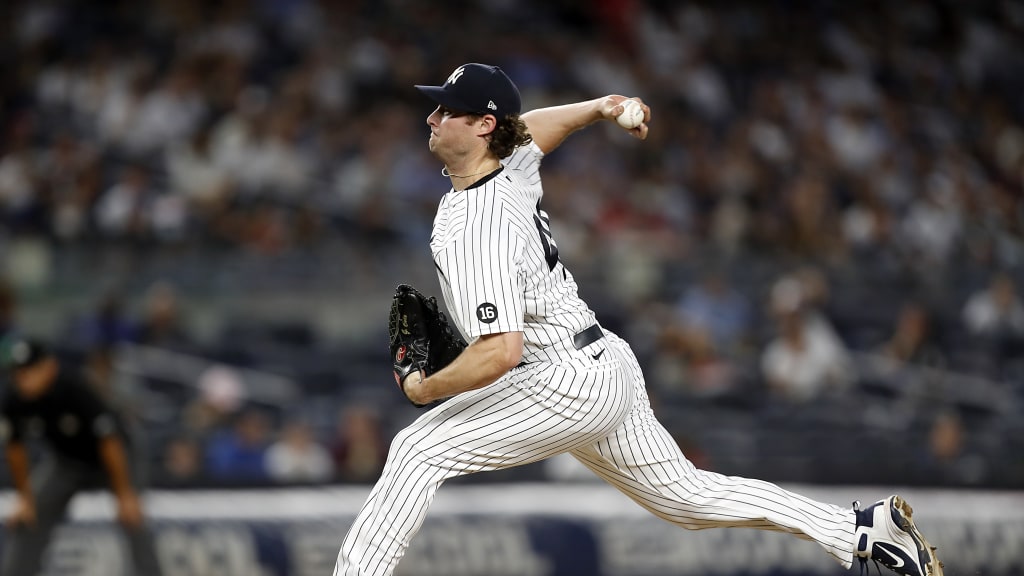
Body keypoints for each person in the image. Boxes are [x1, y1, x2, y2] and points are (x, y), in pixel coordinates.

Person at [332, 63, 943, 576]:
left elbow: (500, 353)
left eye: (448, 111)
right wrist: (602, 105)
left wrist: (424, 388)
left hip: (558, 381)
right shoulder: (508, 165)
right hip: (600, 365)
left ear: (484, 126)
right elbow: (535, 130)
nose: (432, 118)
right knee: (689, 499)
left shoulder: (479, 222)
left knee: (417, 450)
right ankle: (862, 529)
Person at [0, 337, 162, 576]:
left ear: (48, 367)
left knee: (131, 516)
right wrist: (25, 498)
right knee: (30, 516)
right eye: (18, 373)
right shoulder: (14, 399)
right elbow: (14, 448)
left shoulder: (74, 387)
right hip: (68, 462)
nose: (23, 379)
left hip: (116, 457)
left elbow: (109, 441)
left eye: (29, 371)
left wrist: (125, 493)